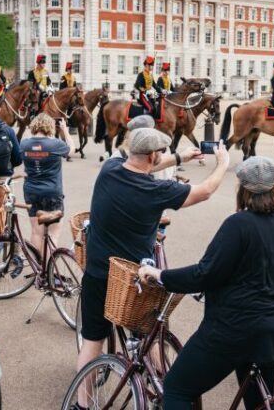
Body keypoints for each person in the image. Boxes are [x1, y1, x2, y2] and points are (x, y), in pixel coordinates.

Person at [138, 156, 274, 409]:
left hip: (233, 328)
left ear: (242, 189)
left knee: (177, 388)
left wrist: (160, 275)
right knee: (258, 404)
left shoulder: (238, 224)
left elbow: (204, 274)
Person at [74, 130, 227, 393]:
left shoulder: (109, 169)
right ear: (154, 155)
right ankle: (162, 386)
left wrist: (179, 157)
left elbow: (142, 163)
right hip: (134, 278)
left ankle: (82, 404)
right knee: (151, 332)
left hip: (98, 273)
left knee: (92, 341)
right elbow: (204, 192)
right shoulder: (157, 190)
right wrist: (222, 162)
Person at [20, 113, 70, 251]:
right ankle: (48, 270)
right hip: (52, 192)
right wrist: (65, 129)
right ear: (50, 127)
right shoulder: (56, 144)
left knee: (36, 232)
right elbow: (71, 150)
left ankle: (37, 268)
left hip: (31, 192)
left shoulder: (24, 143)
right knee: (53, 234)